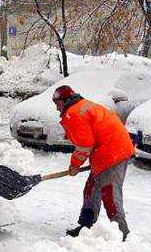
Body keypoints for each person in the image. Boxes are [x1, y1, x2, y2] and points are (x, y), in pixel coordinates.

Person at [52, 85, 134, 242]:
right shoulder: (82, 105)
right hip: (109, 151)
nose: (57, 109)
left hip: (112, 154)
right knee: (91, 189)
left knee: (109, 194)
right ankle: (86, 227)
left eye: (57, 104)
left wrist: (75, 165)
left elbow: (84, 145)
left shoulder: (74, 113)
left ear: (65, 100)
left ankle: (122, 234)